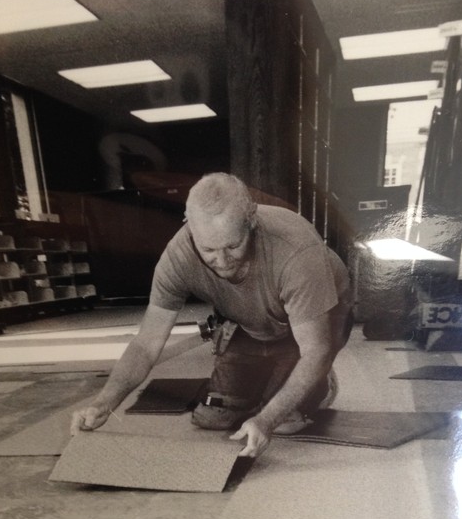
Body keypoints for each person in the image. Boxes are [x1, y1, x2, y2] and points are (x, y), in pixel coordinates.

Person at [71, 173, 353, 457]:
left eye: (233, 246)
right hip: (252, 318)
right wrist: (103, 403)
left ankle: (323, 383)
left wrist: (267, 419)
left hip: (320, 315)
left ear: (251, 220)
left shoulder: (296, 251)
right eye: (208, 249)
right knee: (212, 417)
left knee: (284, 420)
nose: (221, 261)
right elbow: (146, 345)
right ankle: (268, 380)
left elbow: (316, 350)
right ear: (188, 224)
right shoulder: (177, 257)